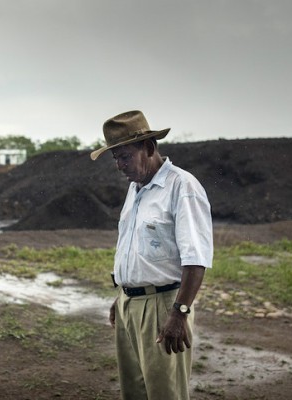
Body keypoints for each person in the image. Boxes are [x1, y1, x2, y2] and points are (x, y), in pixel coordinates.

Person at [90, 110, 213, 400]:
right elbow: (136, 249)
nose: (120, 166)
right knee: (134, 391)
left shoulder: (182, 187)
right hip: (130, 305)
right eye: (115, 159)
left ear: (149, 147)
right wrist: (123, 296)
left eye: (125, 157)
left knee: (164, 392)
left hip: (164, 307)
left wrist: (179, 313)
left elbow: (196, 258)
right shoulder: (135, 189)